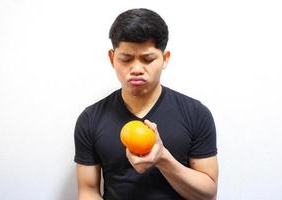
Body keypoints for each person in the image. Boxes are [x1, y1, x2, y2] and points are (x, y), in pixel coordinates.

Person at [74, 8, 218, 200]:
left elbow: (208, 194)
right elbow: (88, 190)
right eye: (126, 59)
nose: (136, 69)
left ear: (165, 59)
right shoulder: (91, 118)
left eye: (147, 59)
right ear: (112, 58)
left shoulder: (196, 113)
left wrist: (163, 159)